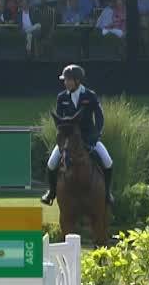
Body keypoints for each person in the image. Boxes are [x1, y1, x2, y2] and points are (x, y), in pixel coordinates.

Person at [41, 64, 113, 206]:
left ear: (77, 81)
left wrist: (96, 135)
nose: (66, 83)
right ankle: (51, 192)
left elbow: (99, 117)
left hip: (88, 137)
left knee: (107, 161)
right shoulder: (61, 97)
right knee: (51, 163)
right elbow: (59, 120)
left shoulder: (89, 96)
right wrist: (62, 136)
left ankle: (107, 194)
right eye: (65, 80)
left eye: (68, 80)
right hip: (68, 138)